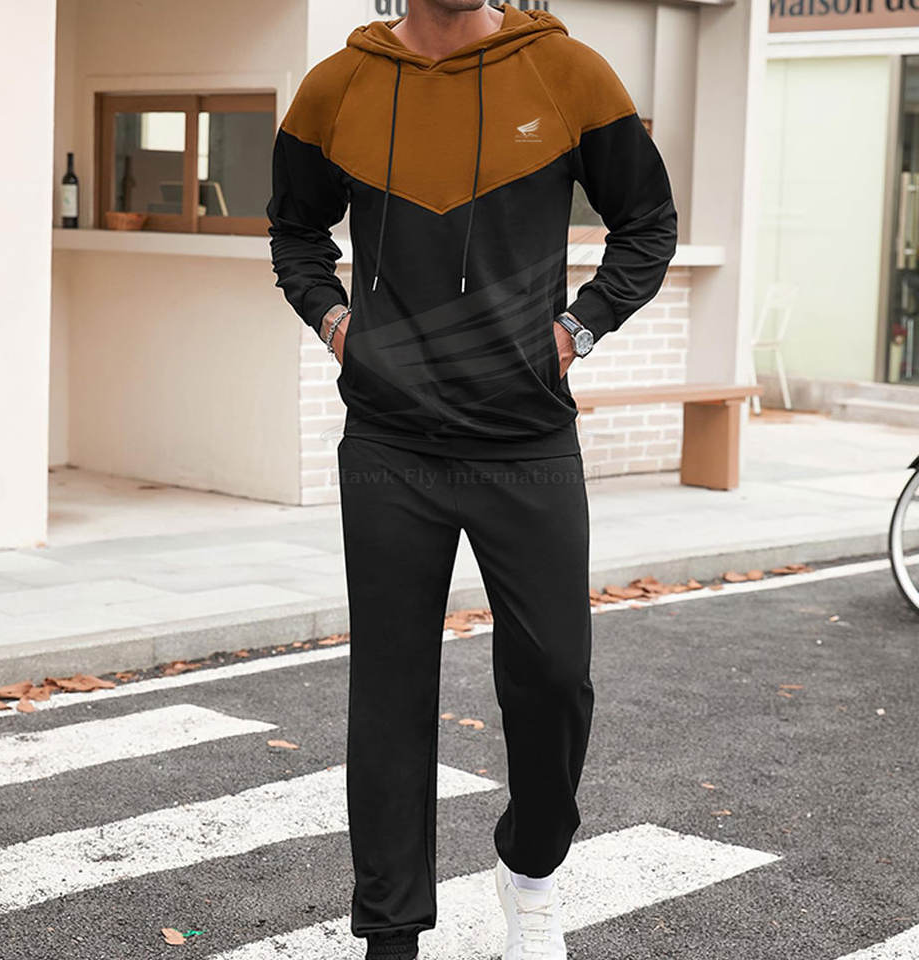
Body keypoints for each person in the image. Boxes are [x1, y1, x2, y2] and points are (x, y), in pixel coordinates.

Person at [266, 1, 677, 956]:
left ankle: (530, 867)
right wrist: (338, 328)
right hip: (390, 442)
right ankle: (391, 936)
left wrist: (574, 333)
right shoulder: (338, 85)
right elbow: (294, 232)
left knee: (555, 678)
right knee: (389, 694)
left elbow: (647, 224)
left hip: (525, 439)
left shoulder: (568, 74)